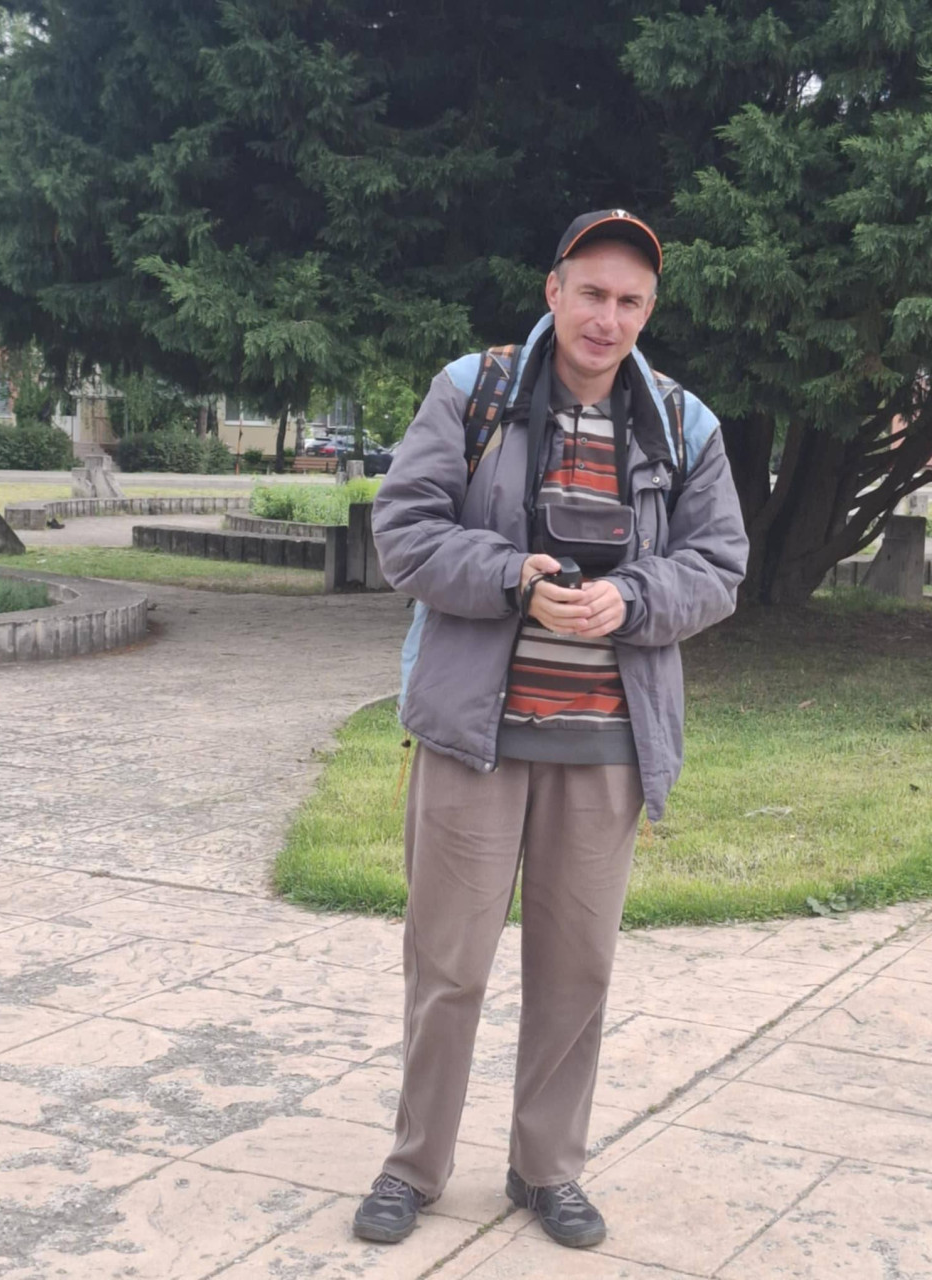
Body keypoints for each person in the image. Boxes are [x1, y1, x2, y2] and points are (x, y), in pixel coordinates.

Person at [356, 210, 749, 1249]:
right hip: (473, 738)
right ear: (554, 291)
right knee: (448, 965)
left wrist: (633, 597)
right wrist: (511, 576)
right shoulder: (472, 391)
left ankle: (547, 1168)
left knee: (578, 971)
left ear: (647, 311)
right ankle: (414, 1166)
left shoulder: (684, 424)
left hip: (605, 746)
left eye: (629, 301)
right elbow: (404, 532)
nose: (606, 318)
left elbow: (719, 565)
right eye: (592, 293)